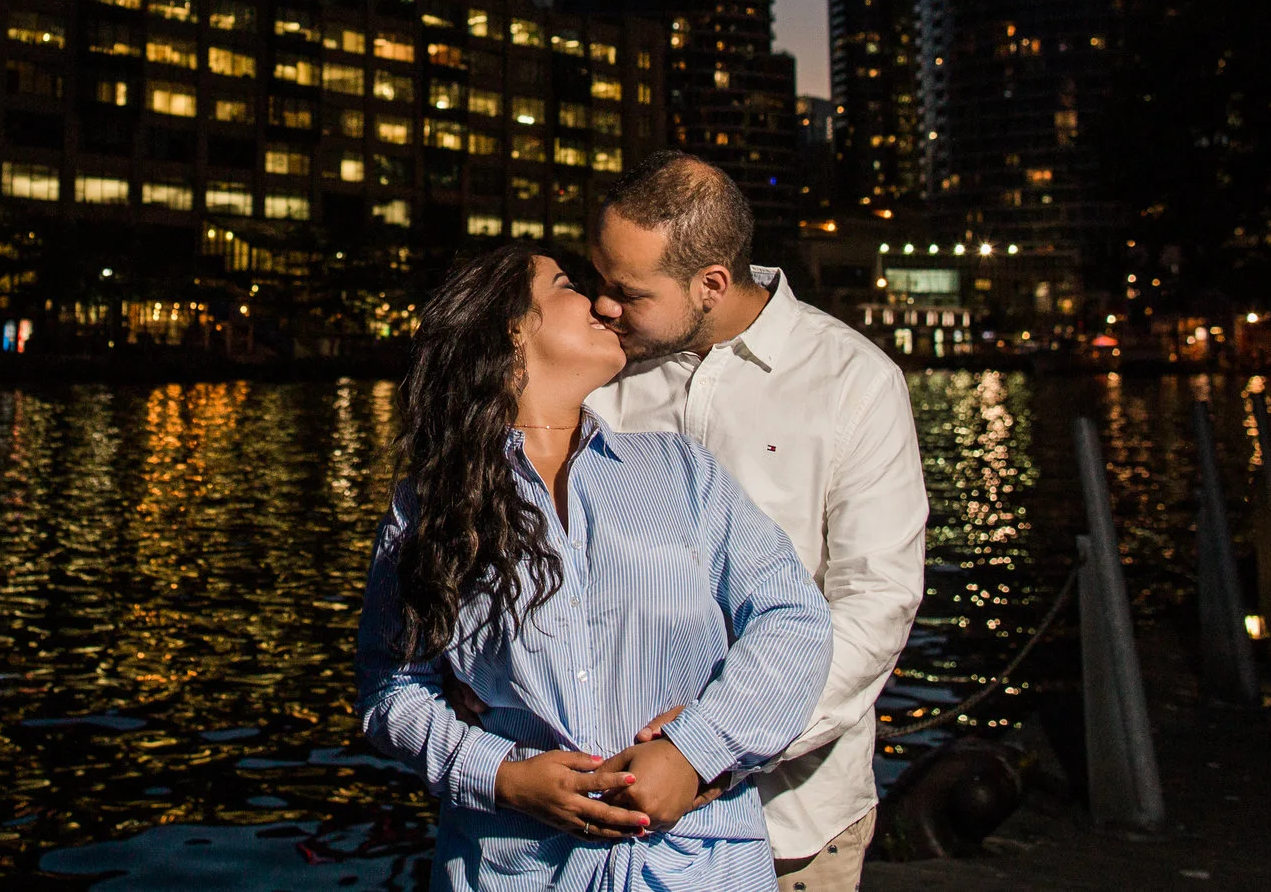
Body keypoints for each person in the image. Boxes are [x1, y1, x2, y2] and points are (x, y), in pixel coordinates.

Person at [357, 243, 835, 891]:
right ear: (510, 329)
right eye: (566, 285)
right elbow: (391, 686)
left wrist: (696, 750)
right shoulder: (428, 508)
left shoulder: (682, 471)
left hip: (699, 868)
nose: (601, 304)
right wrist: (499, 774)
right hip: (515, 870)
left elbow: (793, 617)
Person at [587, 153, 928, 892]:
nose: (604, 305)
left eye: (628, 291)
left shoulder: (856, 382)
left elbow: (875, 604)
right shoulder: (601, 371)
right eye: (600, 281)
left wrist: (709, 748)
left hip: (792, 817)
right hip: (621, 816)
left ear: (711, 282)